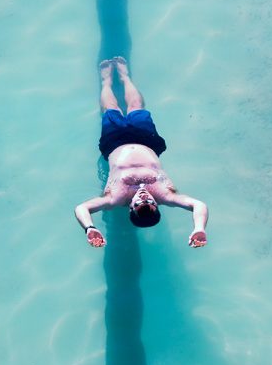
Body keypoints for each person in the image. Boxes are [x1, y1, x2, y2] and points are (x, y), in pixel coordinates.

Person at [74, 56, 208, 248]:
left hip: (114, 144)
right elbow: (199, 205)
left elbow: (82, 207)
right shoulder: (165, 195)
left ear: (131, 208)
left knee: (111, 109)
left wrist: (89, 228)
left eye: (139, 205)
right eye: (151, 204)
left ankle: (106, 81)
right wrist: (199, 228)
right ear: (156, 205)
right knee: (136, 106)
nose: (144, 199)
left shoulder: (116, 198)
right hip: (147, 142)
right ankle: (125, 76)